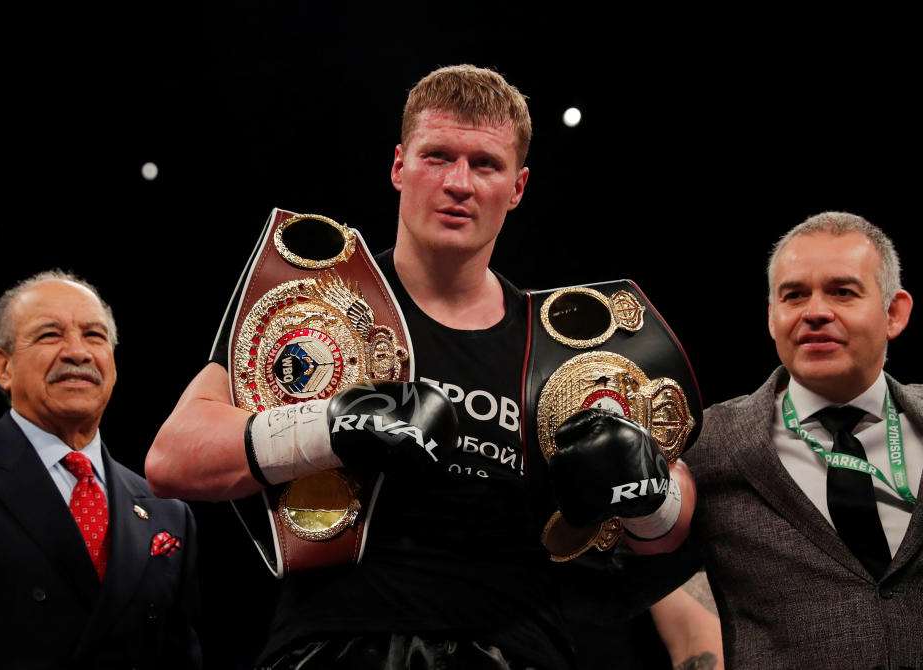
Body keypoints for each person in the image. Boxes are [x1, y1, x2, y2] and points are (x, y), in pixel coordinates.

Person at [146, 64, 695, 670]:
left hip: (519, 650)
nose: (459, 182)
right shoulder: (316, 309)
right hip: (333, 644)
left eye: (485, 164)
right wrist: (328, 426)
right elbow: (172, 460)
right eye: (437, 156)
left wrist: (656, 492)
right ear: (399, 165)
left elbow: (669, 530)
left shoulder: (563, 355)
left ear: (517, 187)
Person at [685, 212, 921, 668]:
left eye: (842, 292)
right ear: (772, 318)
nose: (814, 311)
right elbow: (616, 592)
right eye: (794, 296)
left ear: (894, 313)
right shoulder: (706, 444)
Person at [0, 271, 202, 669]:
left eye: (94, 336)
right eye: (49, 335)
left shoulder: (167, 512)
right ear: (3, 367)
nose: (78, 352)